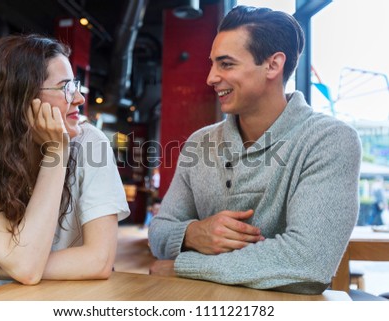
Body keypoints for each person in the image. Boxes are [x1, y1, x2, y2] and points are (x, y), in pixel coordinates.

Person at [148, 5, 362, 295]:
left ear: (273, 65)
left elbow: (309, 262)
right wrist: (192, 234)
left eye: (226, 64)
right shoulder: (199, 143)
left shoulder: (330, 140)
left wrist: (181, 266)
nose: (211, 77)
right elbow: (159, 231)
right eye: (212, 64)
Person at [0, 34, 130, 288]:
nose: (79, 98)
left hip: (79, 298)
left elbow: (99, 260)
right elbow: (25, 268)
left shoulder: (91, 143)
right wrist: (57, 151)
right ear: (22, 98)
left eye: (75, 85)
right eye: (65, 88)